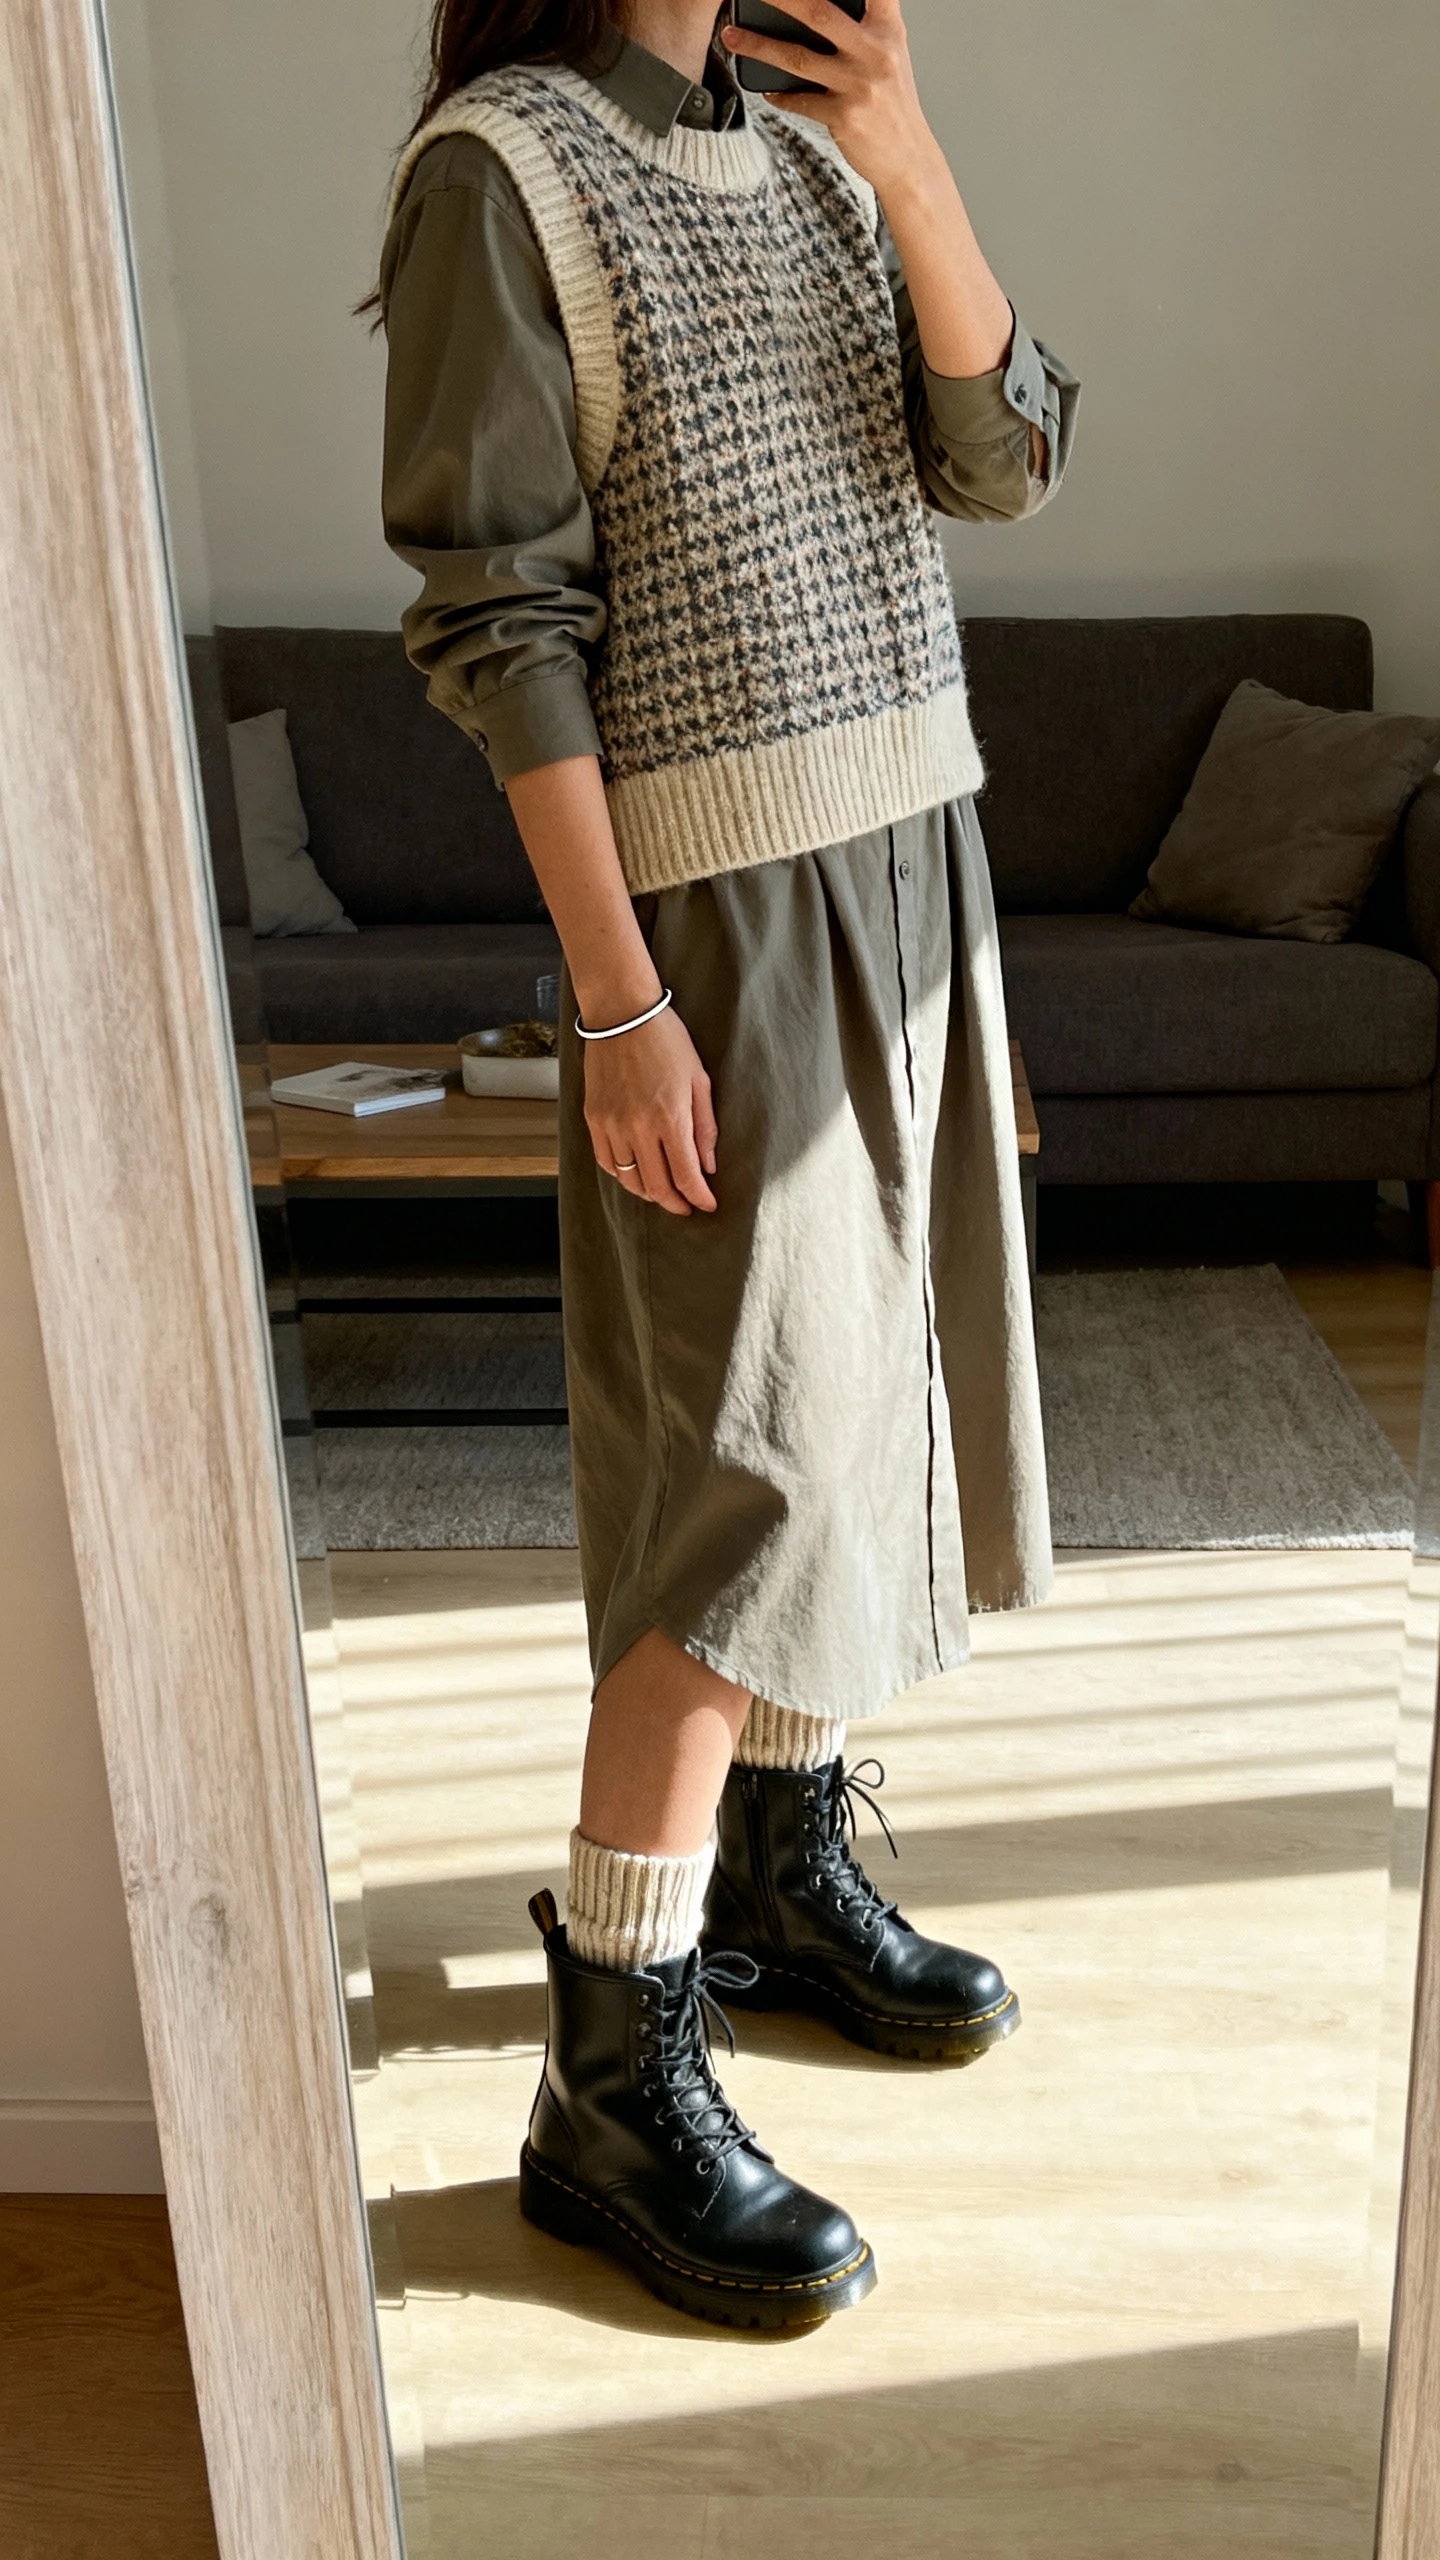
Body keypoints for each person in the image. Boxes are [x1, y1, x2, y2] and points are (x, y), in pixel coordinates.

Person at [379, 0, 1078, 2330]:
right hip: (720, 901)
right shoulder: (503, 174)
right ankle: (609, 2063)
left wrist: (907, 151)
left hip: (912, 848)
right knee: (746, 1472)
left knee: (865, 1414)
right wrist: (617, 999)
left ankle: (774, 1867)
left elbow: (1005, 461)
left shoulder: (810, 147)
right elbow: (502, 624)